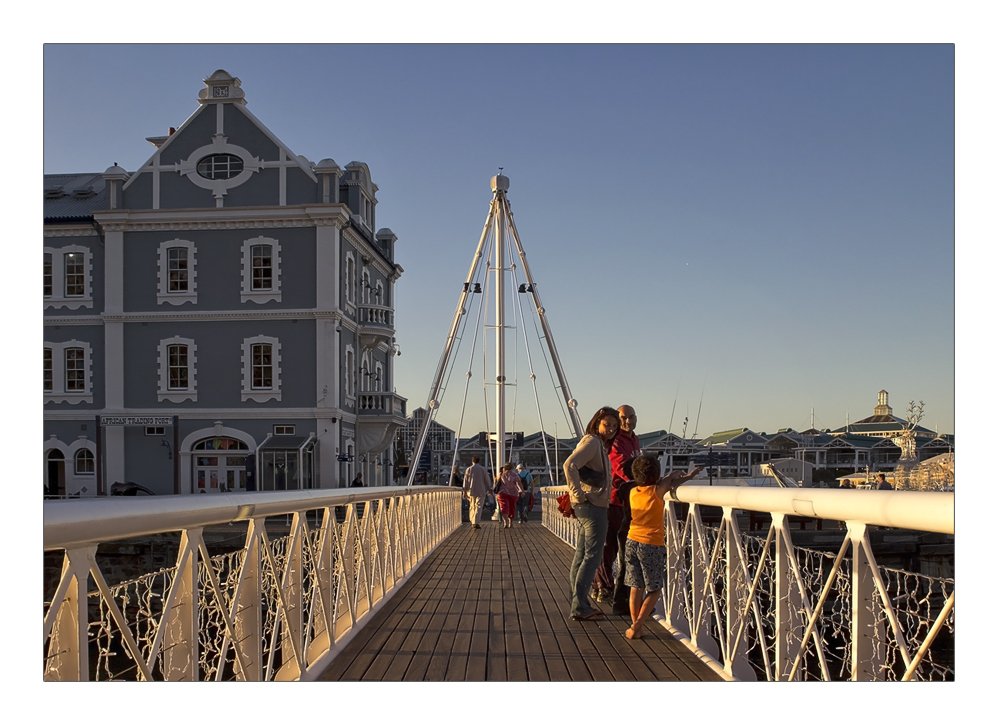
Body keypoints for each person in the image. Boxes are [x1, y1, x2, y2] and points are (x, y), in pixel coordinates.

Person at [623, 456, 703, 640]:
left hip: (631, 540)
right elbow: (668, 482)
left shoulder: (633, 491)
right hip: (650, 544)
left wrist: (674, 476)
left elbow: (666, 481)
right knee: (655, 589)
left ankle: (636, 627)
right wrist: (683, 475)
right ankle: (637, 625)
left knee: (636, 587)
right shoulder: (657, 491)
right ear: (657, 475)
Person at [564, 406, 619, 621]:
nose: (611, 429)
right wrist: (577, 495)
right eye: (607, 424)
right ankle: (581, 607)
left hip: (590, 505)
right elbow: (569, 465)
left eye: (614, 426)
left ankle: (577, 602)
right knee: (593, 557)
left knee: (582, 555)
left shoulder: (597, 444)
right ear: (597, 423)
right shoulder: (593, 442)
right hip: (592, 506)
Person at [593, 404, 641, 609]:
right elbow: (622, 467)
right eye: (624, 418)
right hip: (612, 500)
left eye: (631, 417)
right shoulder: (616, 441)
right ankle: (604, 587)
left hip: (627, 500)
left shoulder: (634, 439)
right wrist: (647, 479)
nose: (628, 421)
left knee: (619, 547)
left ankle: (606, 587)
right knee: (609, 546)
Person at [463, 455, 492, 529]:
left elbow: (465, 481)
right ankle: (476, 521)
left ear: (472, 461)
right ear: (479, 461)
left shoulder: (469, 469)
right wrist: (489, 488)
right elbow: (487, 480)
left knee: (472, 506)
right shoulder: (483, 469)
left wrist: (464, 491)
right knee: (479, 506)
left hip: (470, 490)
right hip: (481, 490)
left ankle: (472, 521)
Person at [495, 462, 524, 529]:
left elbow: (495, 481)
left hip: (502, 493)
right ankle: (510, 522)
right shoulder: (515, 475)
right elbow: (518, 483)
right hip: (513, 493)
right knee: (512, 507)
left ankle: (506, 522)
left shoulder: (501, 474)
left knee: (503, 507)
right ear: (512, 468)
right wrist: (522, 491)